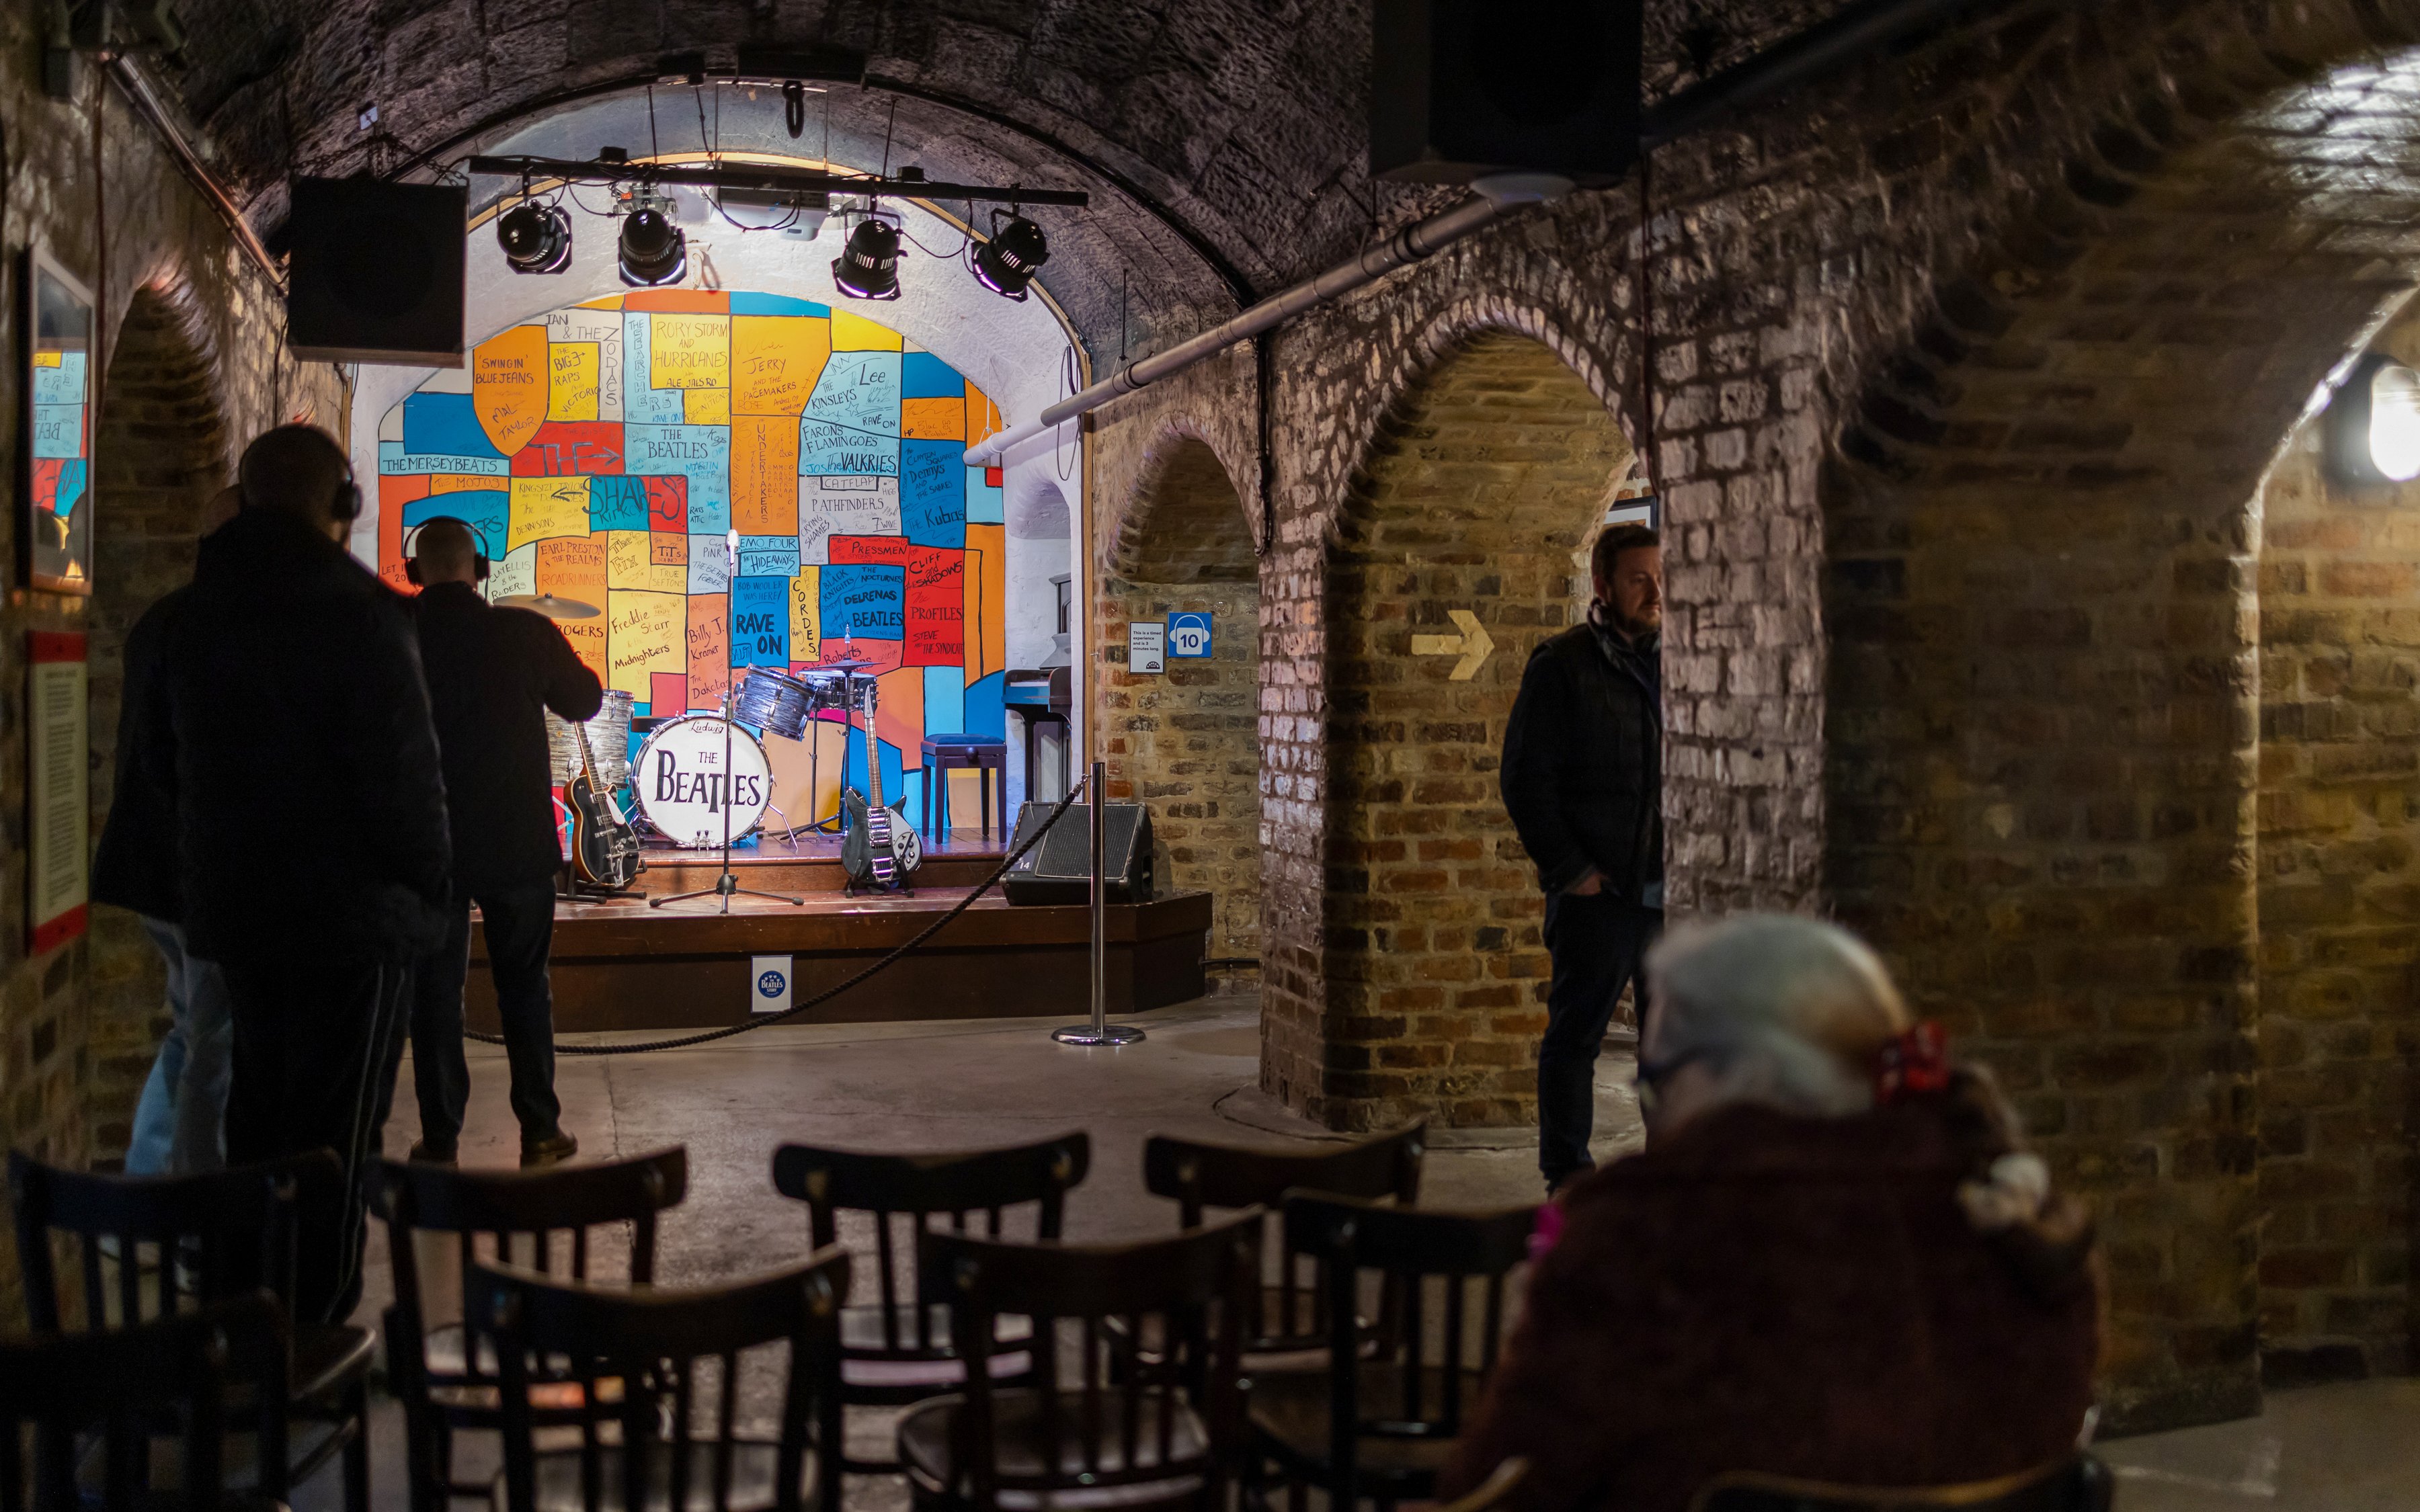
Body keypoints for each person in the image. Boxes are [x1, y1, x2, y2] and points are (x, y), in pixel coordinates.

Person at [1437, 915, 2101, 1512]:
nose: (1659, 1109)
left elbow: (1504, 1491)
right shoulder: (2018, 1223)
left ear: (1748, 1074)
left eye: (1662, 1077)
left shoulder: (1647, 1237)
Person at [153, 425, 451, 1324]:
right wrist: (432, 890)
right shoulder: (360, 612)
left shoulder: (188, 615)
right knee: (335, 1141)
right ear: (344, 504)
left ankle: (246, 1315)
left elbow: (168, 773)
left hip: (237, 914)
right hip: (351, 926)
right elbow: (405, 779)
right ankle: (313, 1334)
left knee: (256, 1116)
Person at [404, 516, 600, 1168]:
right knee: (524, 986)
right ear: (481, 570)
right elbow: (586, 701)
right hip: (516, 841)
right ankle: (541, 1131)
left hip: (428, 845)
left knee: (434, 995)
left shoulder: (395, 633)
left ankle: (439, 1141)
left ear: (413, 573)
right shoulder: (522, 631)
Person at [1500, 522, 1664, 1192]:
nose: (1655, 591)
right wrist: (1573, 871)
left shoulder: (1682, 662)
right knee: (1575, 1040)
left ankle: (1668, 1177)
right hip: (1601, 896)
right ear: (1604, 584)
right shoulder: (1563, 665)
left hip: (1667, 897)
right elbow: (1525, 780)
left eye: (1661, 577)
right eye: (1639, 578)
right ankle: (1567, 1175)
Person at [100, 485, 241, 1177]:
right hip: (195, 875)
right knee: (213, 1044)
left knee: (194, 1034)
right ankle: (188, 1221)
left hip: (150, 870)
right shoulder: (223, 626)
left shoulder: (161, 619)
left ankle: (148, 1185)